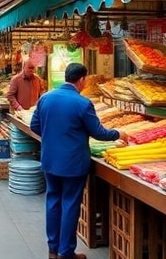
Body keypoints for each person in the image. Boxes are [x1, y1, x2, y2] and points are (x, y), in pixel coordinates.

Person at [30, 63, 127, 259]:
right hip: (73, 164)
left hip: (50, 160)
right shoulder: (82, 103)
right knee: (70, 205)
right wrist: (119, 133)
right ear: (81, 80)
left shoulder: (45, 98)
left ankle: (52, 249)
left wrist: (53, 138)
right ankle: (66, 252)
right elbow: (98, 132)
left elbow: (34, 126)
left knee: (53, 201)